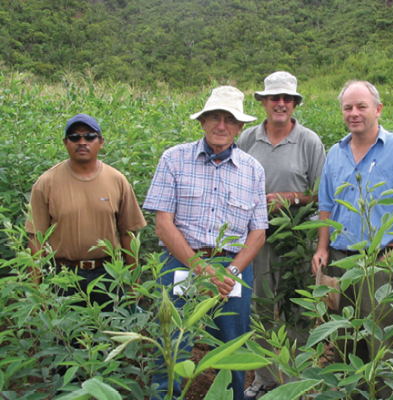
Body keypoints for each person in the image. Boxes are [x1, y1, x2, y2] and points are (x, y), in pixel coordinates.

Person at [311, 80, 393, 385]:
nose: (354, 113)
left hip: (382, 263)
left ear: (378, 109)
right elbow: (326, 206)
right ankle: (351, 391)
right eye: (348, 107)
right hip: (340, 261)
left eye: (361, 106)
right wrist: (322, 249)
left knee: (382, 344)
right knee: (344, 338)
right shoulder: (335, 152)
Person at [143, 86, 268, 400]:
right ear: (202, 121)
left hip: (232, 269)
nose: (221, 125)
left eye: (230, 119)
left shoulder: (252, 170)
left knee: (233, 341)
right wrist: (200, 268)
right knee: (172, 339)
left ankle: (233, 395)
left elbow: (258, 233)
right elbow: (163, 224)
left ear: (240, 127)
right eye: (215, 117)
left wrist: (231, 272)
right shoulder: (174, 159)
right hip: (181, 263)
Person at [236, 71, 326, 399]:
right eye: (274, 98)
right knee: (260, 308)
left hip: (296, 240)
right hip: (256, 238)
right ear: (262, 101)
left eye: (287, 99)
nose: (281, 104)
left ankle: (298, 379)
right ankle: (265, 378)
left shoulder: (309, 141)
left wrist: (292, 198)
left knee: (296, 309)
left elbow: (321, 195)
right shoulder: (247, 139)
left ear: (294, 104)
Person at [26, 113, 147, 309]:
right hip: (63, 275)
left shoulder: (117, 180)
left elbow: (128, 233)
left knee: (110, 334)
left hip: (108, 274)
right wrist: (35, 289)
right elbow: (36, 239)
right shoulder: (46, 183)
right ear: (65, 143)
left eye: (90, 136)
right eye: (74, 137)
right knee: (65, 338)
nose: (82, 142)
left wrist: (134, 280)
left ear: (101, 142)